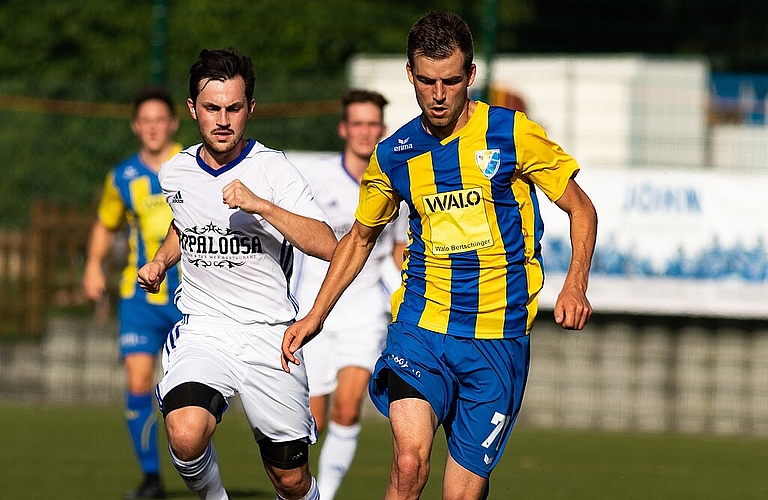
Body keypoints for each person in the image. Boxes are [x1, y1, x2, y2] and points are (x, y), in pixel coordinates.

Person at [282, 11, 598, 500]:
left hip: (498, 337)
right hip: (422, 327)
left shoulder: (512, 133)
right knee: (409, 465)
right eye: (426, 81)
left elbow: (581, 207)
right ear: (410, 75)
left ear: (470, 76)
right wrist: (315, 315)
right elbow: (361, 239)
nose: (438, 94)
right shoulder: (394, 154)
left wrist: (575, 283)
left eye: (450, 81)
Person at [136, 47, 336, 500]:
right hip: (206, 329)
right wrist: (161, 261)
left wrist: (261, 206)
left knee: (289, 478)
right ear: (193, 110)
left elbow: (327, 243)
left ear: (250, 109)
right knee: (186, 434)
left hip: (271, 335)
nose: (222, 120)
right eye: (211, 108)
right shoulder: (177, 171)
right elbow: (183, 222)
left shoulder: (273, 170)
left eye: (233, 108)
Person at [291, 89, 406, 500]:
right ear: (344, 128)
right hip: (316, 309)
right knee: (311, 422)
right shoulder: (316, 180)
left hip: (364, 312)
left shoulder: (398, 179)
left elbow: (397, 252)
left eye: (372, 124)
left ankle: (328, 496)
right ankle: (301, 489)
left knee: (348, 407)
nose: (365, 131)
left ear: (383, 129)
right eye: (357, 123)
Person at [83, 85, 182, 499]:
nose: (154, 127)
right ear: (136, 126)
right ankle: (152, 479)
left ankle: (198, 468)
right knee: (139, 383)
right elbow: (106, 224)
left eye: (161, 119)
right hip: (139, 298)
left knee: (185, 395)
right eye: (147, 120)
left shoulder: (191, 164)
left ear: (173, 123)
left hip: (189, 297)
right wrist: (92, 266)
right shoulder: (122, 176)